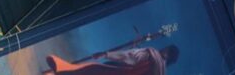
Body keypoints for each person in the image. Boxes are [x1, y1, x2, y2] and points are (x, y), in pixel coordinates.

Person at [45, 45, 179, 75]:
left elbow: (129, 56)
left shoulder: (152, 55)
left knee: (88, 70)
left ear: (167, 53)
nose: (162, 49)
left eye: (165, 49)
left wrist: (106, 54)